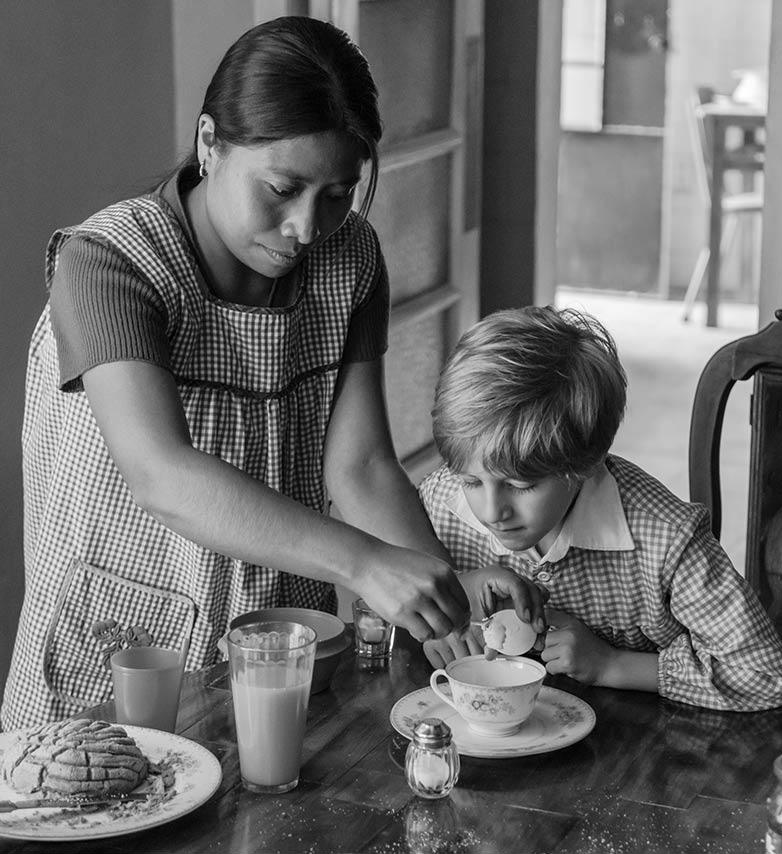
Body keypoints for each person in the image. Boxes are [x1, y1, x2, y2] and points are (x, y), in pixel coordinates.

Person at [2, 16, 541, 731]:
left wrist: (438, 588)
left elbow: (363, 467)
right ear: (208, 144)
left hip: (281, 641)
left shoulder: (350, 261)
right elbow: (161, 475)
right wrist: (364, 565)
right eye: (282, 188)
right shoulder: (108, 265)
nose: (306, 228)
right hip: (120, 642)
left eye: (337, 193)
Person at [417, 306, 782, 712]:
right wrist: (442, 614)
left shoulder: (664, 539)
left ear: (585, 462)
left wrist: (612, 664)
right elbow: (381, 600)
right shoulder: (441, 500)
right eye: (472, 481)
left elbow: (766, 674)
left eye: (521, 485)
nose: (492, 511)